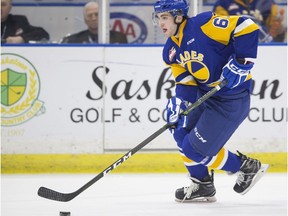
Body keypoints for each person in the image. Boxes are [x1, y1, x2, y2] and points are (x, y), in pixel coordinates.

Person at [152, 0, 269, 202]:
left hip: (231, 100)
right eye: (158, 18)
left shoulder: (204, 25)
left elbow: (246, 26)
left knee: (193, 150)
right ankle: (202, 184)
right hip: (207, 98)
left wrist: (243, 62)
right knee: (179, 129)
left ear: (179, 16)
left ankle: (246, 167)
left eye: (164, 17)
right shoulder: (170, 51)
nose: (160, 23)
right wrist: (180, 104)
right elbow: (186, 83)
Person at [212, 0, 286, 42]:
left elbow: (275, 33)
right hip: (234, 47)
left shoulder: (268, 3)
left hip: (263, 46)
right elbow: (219, 30)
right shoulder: (223, 3)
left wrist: (278, 29)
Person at [61, 1, 127, 44]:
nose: (94, 18)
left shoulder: (119, 38)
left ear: (104, 17)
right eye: (89, 15)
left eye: (97, 14)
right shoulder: (74, 40)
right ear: (85, 20)